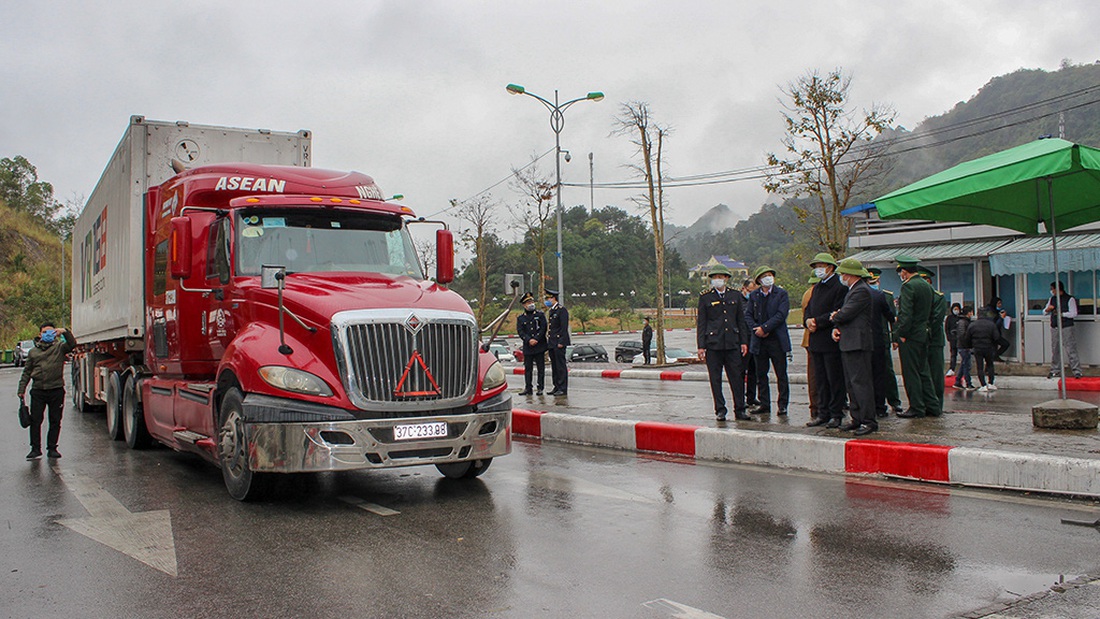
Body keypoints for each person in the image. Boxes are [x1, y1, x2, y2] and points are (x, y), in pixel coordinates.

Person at [696, 264, 751, 421]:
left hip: (732, 343)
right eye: (714, 277)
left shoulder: (735, 296)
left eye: (720, 277)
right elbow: (702, 323)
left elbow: (741, 320)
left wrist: (743, 342)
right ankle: (720, 409)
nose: (717, 280)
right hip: (713, 344)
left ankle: (740, 409)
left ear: (726, 278)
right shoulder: (705, 297)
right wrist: (701, 346)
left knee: (737, 377)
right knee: (715, 379)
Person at [829, 259, 877, 435]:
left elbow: (846, 313)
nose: (842, 277)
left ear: (850, 275)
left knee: (860, 383)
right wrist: (837, 325)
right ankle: (856, 418)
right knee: (851, 383)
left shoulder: (861, 291)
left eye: (843, 274)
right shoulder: (853, 290)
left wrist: (836, 316)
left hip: (858, 343)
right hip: (849, 342)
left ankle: (868, 420)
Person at [17, 322, 78, 460]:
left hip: (56, 390)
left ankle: (52, 448)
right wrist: (21, 390)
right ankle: (35, 449)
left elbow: (72, 344)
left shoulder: (60, 348)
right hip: (38, 390)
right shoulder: (33, 352)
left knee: (55, 420)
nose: (48, 335)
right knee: (35, 421)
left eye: (51, 332)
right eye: (45, 332)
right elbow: (26, 373)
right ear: (40, 334)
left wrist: (64, 331)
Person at [804, 252, 847, 428]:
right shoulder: (818, 287)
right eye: (816, 267)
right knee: (820, 379)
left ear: (830, 267)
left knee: (834, 379)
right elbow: (808, 308)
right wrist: (807, 321)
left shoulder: (839, 286)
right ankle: (822, 413)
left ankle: (836, 414)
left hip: (830, 339)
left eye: (820, 266)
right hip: (816, 340)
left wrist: (817, 322)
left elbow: (837, 311)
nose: (818, 270)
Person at [892, 256, 937, 419]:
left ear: (904, 271)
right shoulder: (926, 285)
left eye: (901, 272)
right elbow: (932, 313)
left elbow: (906, 315)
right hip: (923, 333)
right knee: (923, 371)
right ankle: (932, 405)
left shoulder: (909, 287)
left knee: (911, 373)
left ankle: (916, 407)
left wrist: (900, 335)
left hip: (910, 336)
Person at [745, 266, 790, 416]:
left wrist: (765, 328)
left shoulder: (781, 294)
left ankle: (782, 404)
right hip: (759, 340)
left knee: (781, 374)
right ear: (759, 280)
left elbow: (781, 315)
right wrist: (756, 329)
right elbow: (748, 315)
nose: (768, 278)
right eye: (764, 276)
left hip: (776, 339)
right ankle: (764, 403)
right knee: (761, 374)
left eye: (770, 275)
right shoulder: (754, 296)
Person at [866, 267, 897, 418]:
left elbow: (892, 319)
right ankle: (875, 404)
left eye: (874, 282)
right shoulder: (861, 295)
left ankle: (894, 401)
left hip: (883, 338)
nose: (873, 284)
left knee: (887, 372)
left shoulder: (886, 296)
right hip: (869, 340)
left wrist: (895, 338)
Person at [919, 267, 947, 416]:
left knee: (935, 374)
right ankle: (923, 404)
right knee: (923, 374)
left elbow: (936, 319)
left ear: (928, 281)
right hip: (919, 341)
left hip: (934, 341)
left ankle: (936, 405)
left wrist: (924, 332)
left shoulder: (938, 297)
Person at [1044, 281, 1083, 379]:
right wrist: (1048, 310)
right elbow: (1044, 311)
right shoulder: (1052, 299)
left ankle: (1077, 370)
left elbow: (1074, 313)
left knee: (1070, 348)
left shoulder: (1070, 299)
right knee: (1055, 349)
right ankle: (1055, 370)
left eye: (1052, 289)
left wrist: (1062, 314)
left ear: (1057, 289)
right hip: (1055, 327)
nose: (1051, 291)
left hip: (1066, 326)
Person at [515, 292, 548, 395]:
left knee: (540, 368)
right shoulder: (521, 318)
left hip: (539, 345)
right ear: (524, 305)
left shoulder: (540, 315)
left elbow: (543, 328)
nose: (531, 304)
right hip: (528, 346)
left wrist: (536, 339)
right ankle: (528, 388)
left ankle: (540, 388)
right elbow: (521, 332)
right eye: (529, 302)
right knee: (528, 369)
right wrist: (529, 340)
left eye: (532, 301)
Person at [968, 308, 1002, 392]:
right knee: (990, 364)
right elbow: (997, 337)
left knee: (980, 367)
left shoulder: (973, 325)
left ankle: (983, 385)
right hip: (989, 347)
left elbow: (967, 337)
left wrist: (971, 346)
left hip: (977, 348)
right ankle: (991, 383)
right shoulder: (991, 324)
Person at [801, 274, 820, 421]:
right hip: (814, 339)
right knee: (816, 376)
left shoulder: (809, 292)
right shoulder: (813, 293)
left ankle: (816, 407)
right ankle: (816, 407)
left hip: (810, 339)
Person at [545, 289, 570, 396]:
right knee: (554, 366)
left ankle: (562, 388)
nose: (547, 301)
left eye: (548, 298)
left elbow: (563, 327)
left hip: (559, 342)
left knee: (560, 366)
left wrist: (561, 341)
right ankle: (556, 386)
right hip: (552, 342)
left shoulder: (561, 310)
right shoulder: (552, 311)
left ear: (553, 298)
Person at [740, 278, 759, 406]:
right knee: (741, 371)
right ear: (744, 289)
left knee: (754, 370)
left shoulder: (757, 300)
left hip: (755, 339)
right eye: (749, 291)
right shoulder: (737, 301)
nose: (751, 294)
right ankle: (740, 398)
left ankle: (751, 397)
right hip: (743, 340)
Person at [954, 305, 975, 390]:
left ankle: (958, 381)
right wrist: (967, 345)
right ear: (968, 313)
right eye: (971, 312)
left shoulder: (966, 321)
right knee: (967, 365)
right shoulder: (963, 322)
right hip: (964, 347)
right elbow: (962, 335)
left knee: (964, 364)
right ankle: (968, 383)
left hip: (965, 346)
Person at [945, 302, 962, 377]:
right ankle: (952, 369)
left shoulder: (961, 317)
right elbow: (947, 328)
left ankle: (963, 370)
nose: (956, 311)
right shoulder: (949, 318)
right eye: (955, 309)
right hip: (952, 339)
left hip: (960, 339)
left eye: (957, 309)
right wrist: (949, 337)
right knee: (953, 354)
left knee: (963, 354)